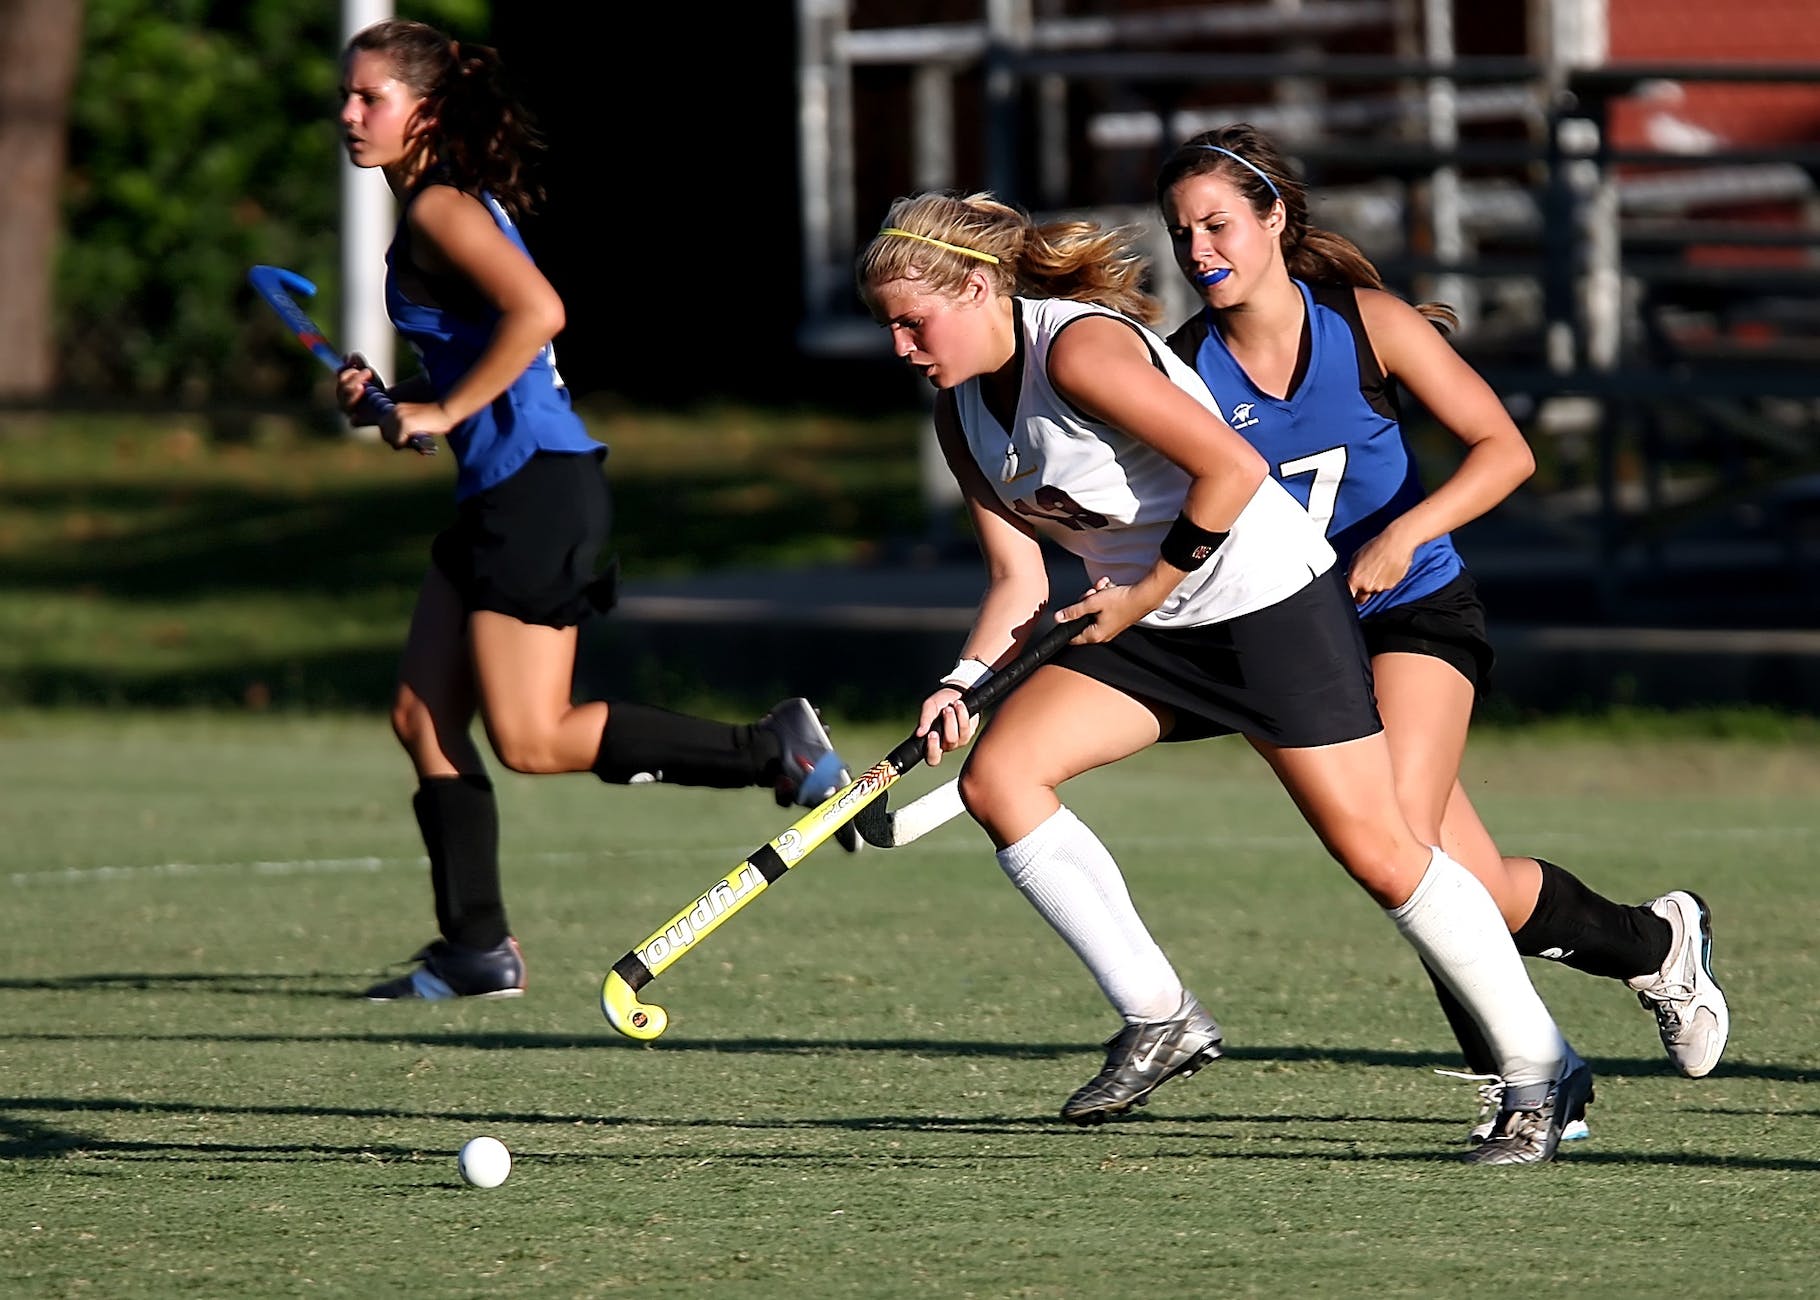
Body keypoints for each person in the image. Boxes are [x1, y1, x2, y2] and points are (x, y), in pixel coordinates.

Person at [857, 190, 1591, 1165]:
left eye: (915, 321)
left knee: (1380, 851)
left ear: (984, 286)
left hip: (1263, 605)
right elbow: (1015, 580)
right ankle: (1158, 1015)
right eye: (889, 329)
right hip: (1150, 622)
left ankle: (1540, 1070)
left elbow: (1232, 469)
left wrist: (1141, 589)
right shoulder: (961, 416)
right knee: (1000, 777)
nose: (903, 346)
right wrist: (962, 680)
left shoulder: (1077, 350)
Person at [1151, 122, 1729, 1134]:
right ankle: (1651, 944)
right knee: (1474, 887)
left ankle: (1533, 1084)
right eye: (1180, 230)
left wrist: (1400, 534)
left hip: (1414, 608)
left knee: (1401, 845)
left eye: (1217, 223)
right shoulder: (1183, 368)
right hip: (1299, 640)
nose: (1198, 248)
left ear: (1273, 219)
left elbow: (1503, 451)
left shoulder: (1366, 324)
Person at [333, 19, 857, 1002]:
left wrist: (440, 409)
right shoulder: (438, 207)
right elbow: (490, 347)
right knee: (421, 712)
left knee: (531, 738)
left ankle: (771, 751)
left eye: (372, 98)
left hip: (535, 491)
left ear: (427, 112)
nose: (350, 115)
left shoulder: (444, 207)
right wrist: (396, 398)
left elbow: (540, 314)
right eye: (347, 97)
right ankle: (474, 950)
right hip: (501, 487)